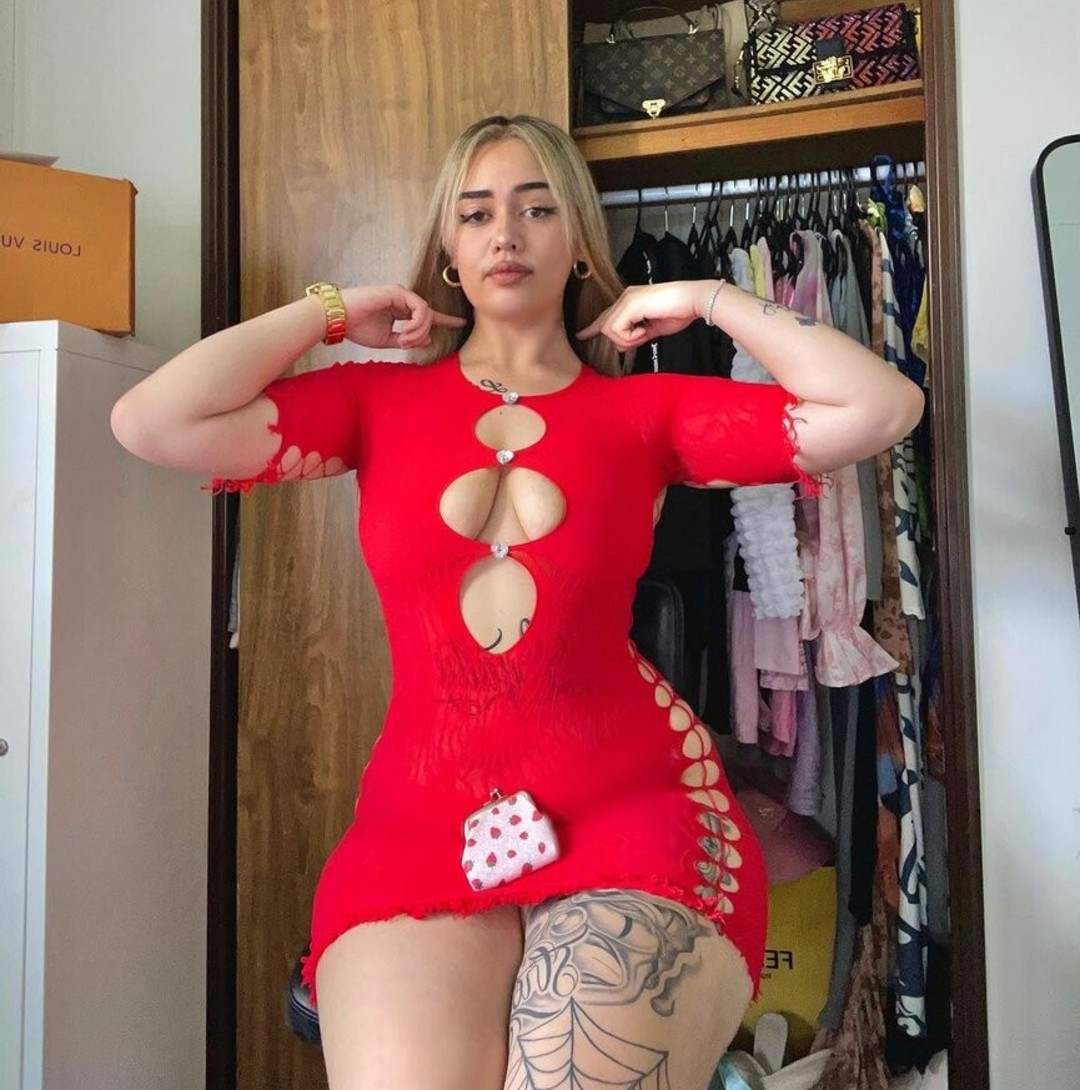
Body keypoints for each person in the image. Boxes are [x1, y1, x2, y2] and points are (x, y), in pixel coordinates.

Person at [111, 114, 923, 1090]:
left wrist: (707, 297)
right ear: (449, 253)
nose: (506, 233)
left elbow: (880, 405)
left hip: (633, 812)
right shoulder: (373, 404)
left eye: (537, 208)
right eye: (476, 213)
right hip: (418, 825)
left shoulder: (646, 413)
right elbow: (153, 419)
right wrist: (327, 310)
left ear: (577, 239)